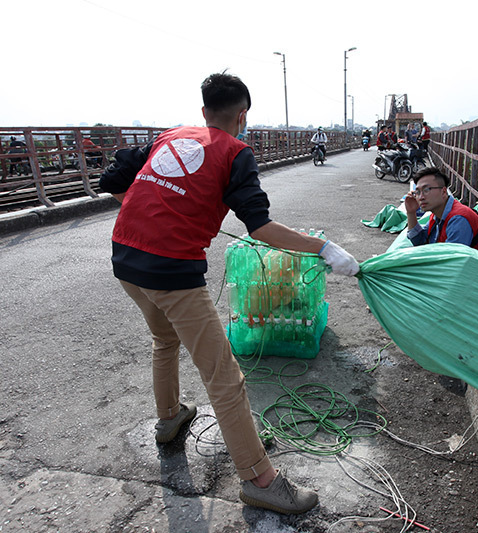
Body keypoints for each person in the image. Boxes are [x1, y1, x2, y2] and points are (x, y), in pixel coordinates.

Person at [99, 72, 359, 515]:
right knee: (224, 377)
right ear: (243, 116)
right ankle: (261, 480)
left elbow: (113, 180)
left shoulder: (170, 136)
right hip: (172, 271)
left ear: (203, 112)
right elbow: (260, 228)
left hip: (125, 258)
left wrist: (161, 205)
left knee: (164, 341)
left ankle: (169, 418)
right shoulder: (237, 153)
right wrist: (324, 248)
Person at [404, 166, 478, 257]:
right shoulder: (437, 214)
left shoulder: (459, 219)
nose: (421, 197)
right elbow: (420, 242)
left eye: (427, 190)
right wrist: (411, 212)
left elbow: (450, 263)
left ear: (444, 192)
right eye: (418, 192)